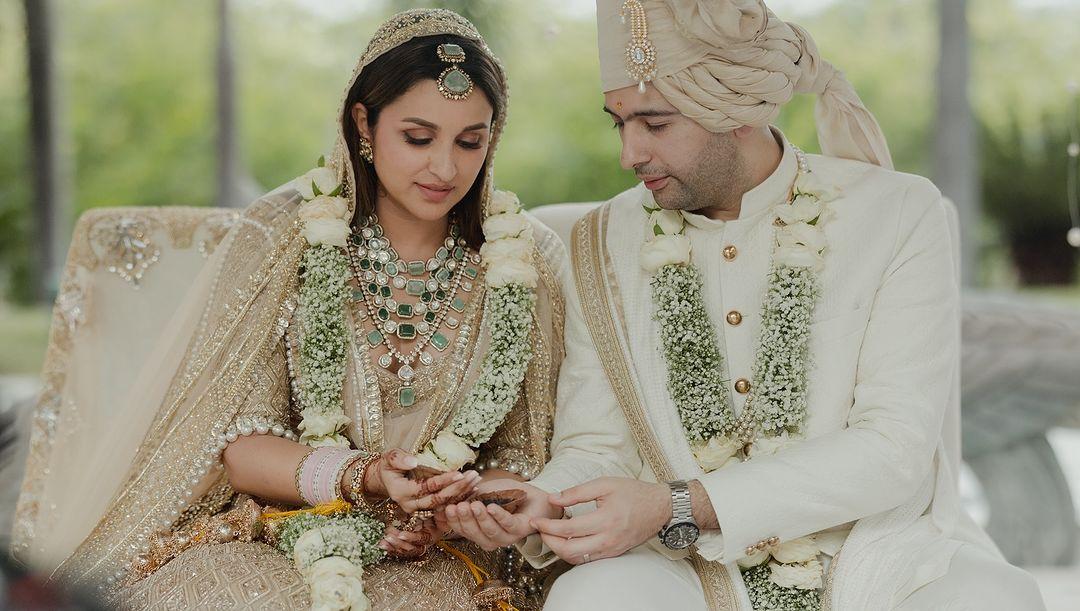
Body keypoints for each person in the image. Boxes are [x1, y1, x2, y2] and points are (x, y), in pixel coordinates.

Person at [444, 1, 1046, 609]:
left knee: (992, 599)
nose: (629, 154)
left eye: (654, 125)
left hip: (875, 549)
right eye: (619, 124)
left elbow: (893, 449)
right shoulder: (604, 240)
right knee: (597, 597)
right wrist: (542, 500)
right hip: (685, 560)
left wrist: (679, 501)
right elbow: (598, 445)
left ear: (734, 112)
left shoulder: (895, 213)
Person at [11, 9, 566, 610]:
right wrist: (366, 476)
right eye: (417, 137)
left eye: (470, 142)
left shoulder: (520, 261)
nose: (445, 167)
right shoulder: (286, 237)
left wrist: (471, 504)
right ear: (363, 124)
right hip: (279, 534)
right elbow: (242, 442)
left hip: (447, 557)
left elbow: (520, 458)